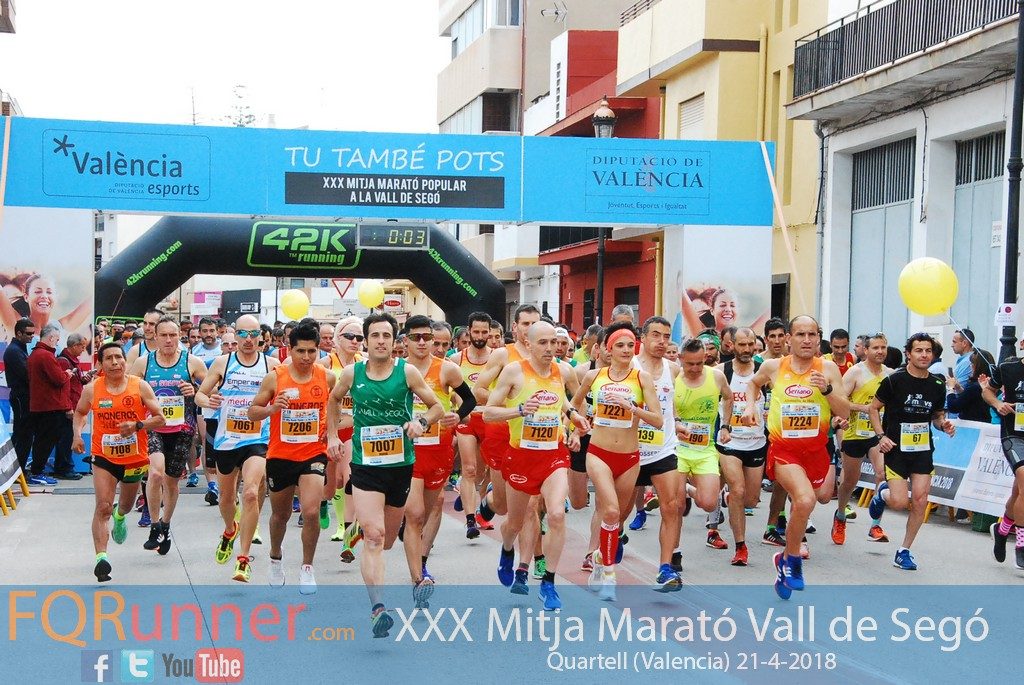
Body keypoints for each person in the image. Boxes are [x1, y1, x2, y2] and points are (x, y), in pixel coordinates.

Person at [327, 313, 443, 636]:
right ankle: (378, 607)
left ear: (395, 341)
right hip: (365, 466)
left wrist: (420, 424)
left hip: (400, 466)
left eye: (386, 336)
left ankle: (356, 530)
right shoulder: (352, 373)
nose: (381, 341)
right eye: (375, 335)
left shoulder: (407, 373)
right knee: (376, 537)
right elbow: (333, 400)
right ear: (366, 340)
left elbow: (437, 408)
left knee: (388, 539)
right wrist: (333, 436)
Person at [485, 321, 589, 611]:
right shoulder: (514, 371)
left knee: (555, 514)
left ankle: (549, 583)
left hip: (553, 455)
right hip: (521, 456)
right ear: (528, 344)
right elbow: (489, 413)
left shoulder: (562, 370)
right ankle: (507, 549)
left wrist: (573, 419)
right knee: (514, 523)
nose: (549, 348)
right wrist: (518, 410)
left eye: (553, 342)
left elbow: (564, 403)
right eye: (542, 343)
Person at [742, 316, 849, 598]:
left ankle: (781, 562)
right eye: (800, 334)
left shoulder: (827, 369)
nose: (806, 340)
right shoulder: (773, 367)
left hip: (815, 450)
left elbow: (845, 412)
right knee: (805, 499)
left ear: (818, 338)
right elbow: (753, 384)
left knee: (813, 501)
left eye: (812, 334)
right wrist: (751, 406)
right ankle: (792, 560)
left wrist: (826, 390)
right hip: (783, 449)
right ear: (788, 338)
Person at [574, 321, 661, 600]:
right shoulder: (594, 376)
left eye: (629, 345)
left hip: (630, 456)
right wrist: (578, 425)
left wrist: (633, 408)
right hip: (599, 452)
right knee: (609, 510)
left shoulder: (641, 378)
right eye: (619, 345)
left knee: (618, 517)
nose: (625, 349)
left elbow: (658, 420)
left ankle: (600, 558)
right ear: (608, 350)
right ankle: (609, 573)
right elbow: (573, 404)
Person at [250, 321, 336, 594]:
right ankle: (276, 556)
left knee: (311, 511)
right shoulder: (275, 377)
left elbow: (335, 408)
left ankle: (307, 568)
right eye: (301, 351)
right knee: (280, 515)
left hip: (313, 453)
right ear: (289, 349)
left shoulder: (327, 377)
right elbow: (252, 412)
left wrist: (332, 434)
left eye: (312, 351)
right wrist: (273, 408)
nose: (307, 358)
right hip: (280, 455)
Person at [196, 314, 279, 582]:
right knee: (226, 498)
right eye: (242, 334)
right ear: (234, 336)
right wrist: (208, 401)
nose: (248, 340)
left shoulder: (272, 365)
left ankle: (243, 559)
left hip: (257, 438)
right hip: (227, 439)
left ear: (262, 338)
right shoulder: (223, 362)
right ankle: (230, 529)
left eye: (254, 335)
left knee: (252, 493)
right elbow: (200, 393)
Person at [73, 342, 165, 582]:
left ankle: (121, 516)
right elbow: (81, 412)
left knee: (124, 505)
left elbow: (160, 419)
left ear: (125, 361)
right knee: (102, 506)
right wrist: (76, 434)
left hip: (134, 458)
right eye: (109, 359)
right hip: (103, 456)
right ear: (101, 364)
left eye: (118, 357)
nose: (115, 362)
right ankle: (101, 559)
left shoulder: (140, 386)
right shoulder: (92, 389)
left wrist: (137, 425)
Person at [401, 315, 476, 591]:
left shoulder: (446, 370)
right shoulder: (398, 369)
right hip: (406, 451)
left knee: (434, 505)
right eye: (416, 337)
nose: (422, 342)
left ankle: (422, 559)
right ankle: (417, 577)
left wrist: (457, 416)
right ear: (405, 340)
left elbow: (470, 399)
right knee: (415, 513)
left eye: (427, 337)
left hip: (438, 449)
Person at [868, 333, 954, 571]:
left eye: (928, 351)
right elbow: (873, 409)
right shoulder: (895, 381)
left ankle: (904, 550)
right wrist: (880, 436)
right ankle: (881, 495)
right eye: (919, 350)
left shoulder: (937, 384)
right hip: (895, 448)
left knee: (919, 499)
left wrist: (944, 424)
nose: (924, 355)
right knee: (897, 502)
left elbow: (936, 416)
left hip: (922, 449)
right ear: (909, 353)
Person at [129, 317, 207, 556]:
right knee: (155, 473)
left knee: (171, 482)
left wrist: (194, 391)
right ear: (155, 337)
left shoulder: (191, 362)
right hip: (153, 427)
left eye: (173, 335)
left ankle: (165, 524)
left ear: (179, 337)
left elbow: (210, 389)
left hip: (182, 429)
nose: (168, 340)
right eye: (163, 335)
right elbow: (130, 393)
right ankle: (154, 525)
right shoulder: (144, 363)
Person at [628, 317, 683, 587]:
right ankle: (607, 550)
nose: (662, 342)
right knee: (619, 510)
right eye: (656, 335)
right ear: (643, 337)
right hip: (631, 450)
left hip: (663, 448)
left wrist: (680, 424)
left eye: (666, 336)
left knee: (672, 506)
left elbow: (672, 407)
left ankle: (665, 568)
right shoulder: (629, 367)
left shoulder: (673, 369)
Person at [673, 338, 734, 567]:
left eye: (700, 363)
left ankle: (689, 489)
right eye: (690, 364)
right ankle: (674, 553)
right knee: (676, 506)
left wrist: (726, 425)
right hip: (677, 449)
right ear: (681, 360)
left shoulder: (716, 376)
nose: (696, 369)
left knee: (708, 503)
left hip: (705, 448)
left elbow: (729, 397)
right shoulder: (673, 378)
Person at [712, 327, 766, 567]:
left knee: (751, 500)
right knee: (738, 490)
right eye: (741, 345)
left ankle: (729, 497)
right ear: (731, 345)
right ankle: (741, 547)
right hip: (729, 442)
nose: (746, 350)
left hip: (756, 442)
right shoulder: (720, 372)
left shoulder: (764, 372)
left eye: (750, 344)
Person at [833, 332, 892, 545]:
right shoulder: (855, 372)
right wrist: (864, 408)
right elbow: (839, 401)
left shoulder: (890, 375)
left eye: (883, 347)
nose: (880, 352)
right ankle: (840, 516)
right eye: (875, 348)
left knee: (881, 474)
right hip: (854, 433)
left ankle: (875, 524)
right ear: (865, 350)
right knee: (850, 481)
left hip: (878, 434)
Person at [317, 318, 364, 556]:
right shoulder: (325, 365)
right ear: (338, 339)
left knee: (350, 477)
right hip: (330, 430)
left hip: (355, 431)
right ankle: (323, 502)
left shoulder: (364, 365)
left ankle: (347, 534)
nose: (355, 342)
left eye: (359, 338)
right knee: (332, 483)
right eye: (350, 337)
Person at [981, 334, 1024, 569]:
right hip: (1014, 435)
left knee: (1019, 492)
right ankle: (1021, 545)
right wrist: (998, 404)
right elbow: (987, 392)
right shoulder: (1008, 367)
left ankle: (1002, 529)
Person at [453, 312, 493, 539]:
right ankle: (470, 521)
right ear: (468, 332)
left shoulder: (498, 358)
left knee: (483, 472)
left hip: (488, 419)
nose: (480, 336)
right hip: (467, 420)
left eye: (484, 332)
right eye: (476, 332)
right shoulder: (457, 360)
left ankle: (476, 504)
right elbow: (452, 391)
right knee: (468, 469)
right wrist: (461, 411)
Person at [26, 323, 74, 485]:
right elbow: (58, 379)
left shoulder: (35, 354)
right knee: (45, 440)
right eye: (57, 339)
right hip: (50, 407)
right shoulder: (45, 356)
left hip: (42, 406)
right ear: (51, 338)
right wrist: (67, 374)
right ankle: (37, 472)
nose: (58, 342)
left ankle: (37, 471)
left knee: (42, 440)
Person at [0, 273, 91, 347]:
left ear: (55, 297)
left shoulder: (61, 327)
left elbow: (92, 300)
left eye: (49, 292)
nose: (44, 296)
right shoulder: (17, 326)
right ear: (26, 296)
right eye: (38, 291)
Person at [54, 333, 90, 480]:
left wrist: (83, 380)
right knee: (66, 438)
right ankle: (64, 468)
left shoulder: (71, 360)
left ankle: (65, 467)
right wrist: (68, 407)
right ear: (74, 346)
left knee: (68, 438)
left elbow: (73, 383)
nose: (83, 350)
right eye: (82, 346)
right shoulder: (64, 361)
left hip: (73, 405)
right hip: (68, 407)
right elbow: (63, 387)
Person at [3, 318, 36, 474]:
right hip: (21, 397)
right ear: (19, 333)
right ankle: (17, 469)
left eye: (33, 333)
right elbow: (26, 374)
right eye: (29, 333)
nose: (31, 336)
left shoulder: (19, 349)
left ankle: (17, 469)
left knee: (23, 433)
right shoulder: (14, 351)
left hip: (23, 396)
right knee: (23, 433)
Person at [681, 286, 769, 338]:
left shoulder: (745, 338)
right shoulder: (703, 335)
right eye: (723, 305)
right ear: (712, 310)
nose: (728, 309)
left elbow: (768, 314)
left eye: (732, 305)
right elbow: (685, 303)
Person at [945, 351, 995, 423]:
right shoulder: (991, 384)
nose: (971, 366)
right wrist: (958, 388)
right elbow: (969, 398)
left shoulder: (975, 387)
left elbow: (953, 407)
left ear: (977, 366)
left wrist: (950, 388)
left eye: (972, 364)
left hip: (972, 426)